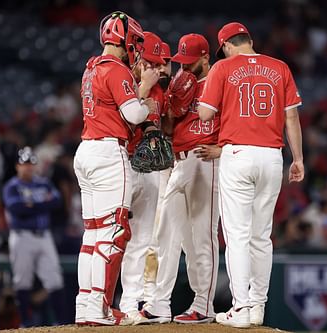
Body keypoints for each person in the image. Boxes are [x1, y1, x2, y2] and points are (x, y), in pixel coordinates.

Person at [198, 22, 305, 328]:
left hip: (239, 155)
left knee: (237, 236)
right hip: (273, 157)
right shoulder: (280, 67)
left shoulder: (222, 67)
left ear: (227, 45)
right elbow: (292, 116)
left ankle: (241, 307)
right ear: (250, 40)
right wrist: (297, 159)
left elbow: (205, 113)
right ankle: (258, 306)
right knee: (261, 237)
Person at [72, 11, 153, 326]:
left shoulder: (90, 68)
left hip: (86, 151)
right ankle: (100, 307)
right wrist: (145, 93)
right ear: (127, 40)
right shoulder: (116, 69)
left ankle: (86, 303)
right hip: (108, 153)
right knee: (114, 230)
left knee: (91, 234)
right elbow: (133, 114)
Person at [137, 33, 220, 325]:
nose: (184, 67)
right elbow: (169, 129)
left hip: (206, 161)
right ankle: (159, 303)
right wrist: (173, 109)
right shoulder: (179, 81)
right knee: (166, 233)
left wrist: (221, 148)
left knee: (201, 237)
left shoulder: (219, 80)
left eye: (190, 61)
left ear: (205, 57)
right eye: (180, 62)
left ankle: (203, 304)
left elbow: (236, 122)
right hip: (178, 161)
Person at [119, 31, 166, 322]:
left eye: (160, 63)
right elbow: (123, 120)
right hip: (120, 163)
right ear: (137, 58)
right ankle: (99, 301)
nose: (157, 68)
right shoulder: (121, 80)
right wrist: (143, 92)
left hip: (148, 171)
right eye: (151, 62)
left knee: (145, 239)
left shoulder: (160, 89)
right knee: (114, 236)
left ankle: (132, 304)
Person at [2, 146, 66, 327]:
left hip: (44, 236)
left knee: (54, 278)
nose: (28, 167)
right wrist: (41, 203)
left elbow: (56, 201)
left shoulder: (43, 183)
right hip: (22, 236)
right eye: (24, 164)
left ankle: (62, 323)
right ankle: (26, 323)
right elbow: (16, 209)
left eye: (31, 164)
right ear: (17, 166)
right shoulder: (12, 186)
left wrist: (31, 204)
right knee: (22, 280)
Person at [143, 40, 173, 307]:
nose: (163, 68)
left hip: (158, 170)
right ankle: (134, 297)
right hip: (133, 168)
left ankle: (150, 299)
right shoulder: (133, 85)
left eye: (167, 63)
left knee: (155, 237)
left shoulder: (163, 93)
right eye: (157, 63)